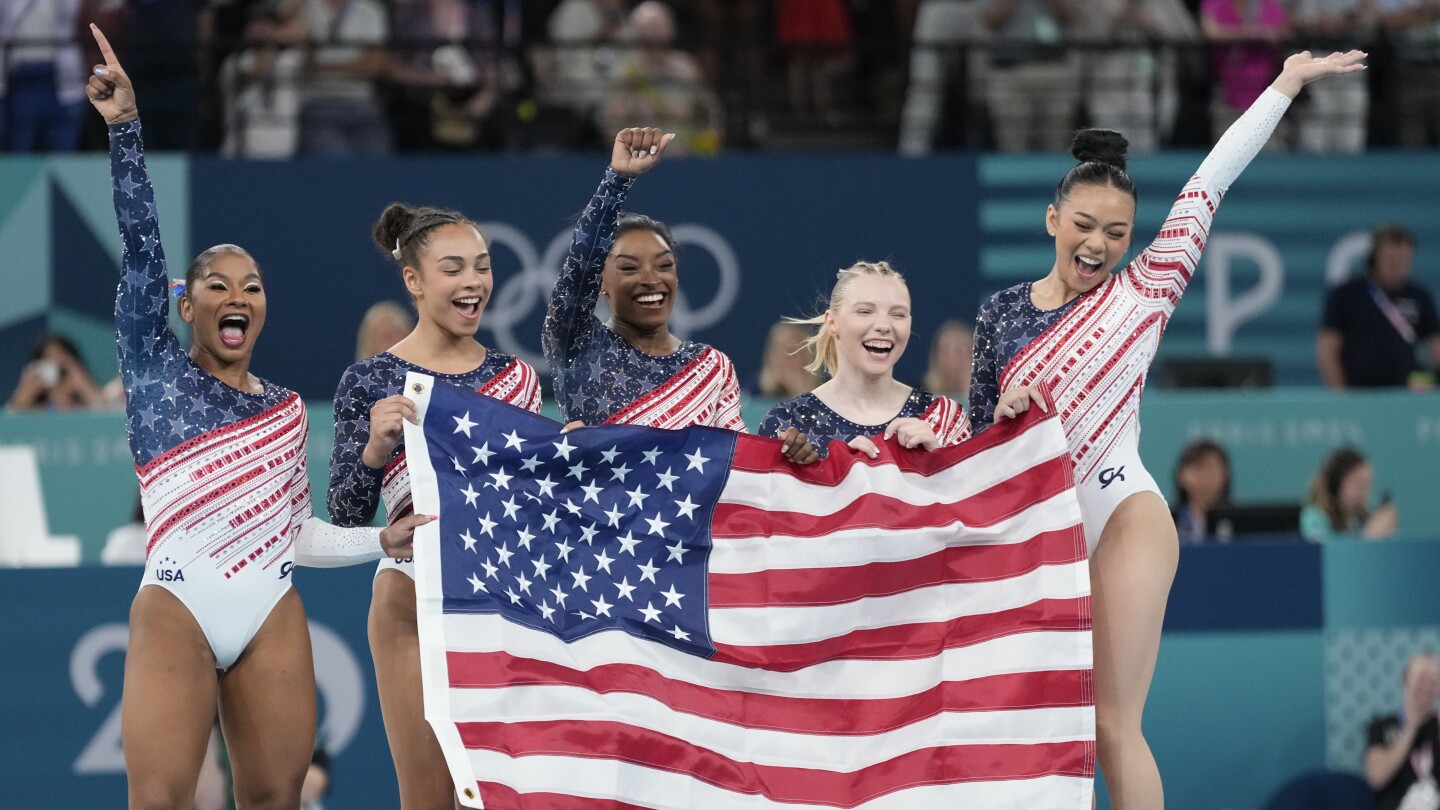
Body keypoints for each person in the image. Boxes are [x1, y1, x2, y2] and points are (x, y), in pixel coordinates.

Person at [966, 50, 1367, 808]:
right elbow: (977, 450)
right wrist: (993, 419)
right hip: (1038, 531)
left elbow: (1208, 184)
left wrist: (1284, 86)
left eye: (1116, 233)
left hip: (1122, 513)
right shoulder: (1000, 315)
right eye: (1083, 225)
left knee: (1113, 725)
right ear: (1052, 219)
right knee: (1050, 732)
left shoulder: (1146, 290)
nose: (1097, 245)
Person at [84, 26, 426, 806]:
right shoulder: (155, 371)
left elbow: (291, 534)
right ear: (186, 303)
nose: (238, 296)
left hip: (271, 607)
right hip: (177, 602)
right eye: (218, 285)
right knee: (161, 799)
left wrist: (382, 539)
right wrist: (126, 130)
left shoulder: (281, 413)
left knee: (279, 796)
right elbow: (141, 253)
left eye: (254, 285)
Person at [328, 202, 543, 808]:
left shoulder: (517, 379)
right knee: (429, 796)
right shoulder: (370, 380)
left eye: (482, 265)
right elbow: (345, 511)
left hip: (501, 601)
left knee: (504, 796)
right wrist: (373, 448)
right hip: (412, 601)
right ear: (414, 281)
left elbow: (528, 505)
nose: (473, 281)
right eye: (453, 268)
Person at [543, 126, 749, 432]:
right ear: (599, 281)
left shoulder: (711, 366)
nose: (651, 279)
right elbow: (582, 262)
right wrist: (617, 179)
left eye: (664, 265)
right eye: (629, 268)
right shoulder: (579, 345)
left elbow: (737, 458)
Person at [758, 260, 970, 460]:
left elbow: (976, 496)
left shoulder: (945, 419)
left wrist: (939, 462)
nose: (884, 325)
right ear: (832, 323)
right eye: (865, 311)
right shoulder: (787, 423)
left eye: (898, 314)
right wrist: (828, 473)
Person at [1318, 223, 1440, 390]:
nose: (1399, 266)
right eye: (1392, 259)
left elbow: (1436, 347)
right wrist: (1341, 399)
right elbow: (1327, 350)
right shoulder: (1346, 294)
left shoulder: (1419, 296)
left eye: (1405, 259)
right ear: (1374, 257)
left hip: (1406, 396)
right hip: (1359, 396)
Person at [596, 2, 723, 155]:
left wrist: (707, 147)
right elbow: (610, 130)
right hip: (641, 165)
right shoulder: (624, 76)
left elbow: (712, 114)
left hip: (686, 161)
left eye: (658, 28)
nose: (652, 36)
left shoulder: (687, 69)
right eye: (646, 30)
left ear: (671, 31)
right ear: (635, 35)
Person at [981, 0, 1081, 153]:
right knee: (1012, 146)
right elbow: (991, 21)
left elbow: (1073, 18)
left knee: (1055, 144)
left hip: (1054, 67)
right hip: (1011, 70)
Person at [1200, 0, 1291, 146]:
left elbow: (1281, 32)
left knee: (1270, 151)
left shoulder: (1270, 5)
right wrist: (1252, 34)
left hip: (1267, 93)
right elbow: (1211, 32)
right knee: (1228, 150)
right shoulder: (1216, 3)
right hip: (1227, 94)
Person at [0, 0, 85, 152]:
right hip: (20, 74)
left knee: (63, 145)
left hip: (60, 76)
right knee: (20, 143)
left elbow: (73, 13)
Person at [1365, 652, 1440, 810]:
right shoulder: (1382, 726)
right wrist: (1411, 727)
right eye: (1420, 679)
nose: (1426, 686)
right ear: (1405, 680)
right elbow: (1377, 778)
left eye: (1432, 680)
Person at [1300, 446, 1398, 541]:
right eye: (1357, 483)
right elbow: (1327, 554)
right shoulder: (1315, 518)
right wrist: (1369, 537)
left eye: (1367, 485)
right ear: (1335, 484)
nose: (1364, 491)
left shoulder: (1364, 518)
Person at [5, 332, 103, 411]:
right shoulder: (34, 408)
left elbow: (108, 415)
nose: (56, 362)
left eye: (61, 356)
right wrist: (25, 394)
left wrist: (83, 385)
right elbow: (8, 424)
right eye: (48, 357)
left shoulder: (85, 403)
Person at [1170, 439, 1231, 545]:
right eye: (1199, 468)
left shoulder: (1239, 524)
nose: (1207, 477)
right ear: (1181, 475)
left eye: (1212, 469)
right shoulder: (1168, 522)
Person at [753, 319, 822, 399]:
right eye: (778, 351)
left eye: (791, 351)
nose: (784, 359)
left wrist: (800, 391)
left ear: (807, 357)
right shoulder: (755, 390)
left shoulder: (827, 389)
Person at [921, 318, 974, 399]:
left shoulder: (990, 395)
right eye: (945, 352)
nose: (952, 359)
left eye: (959, 351)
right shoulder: (920, 394)